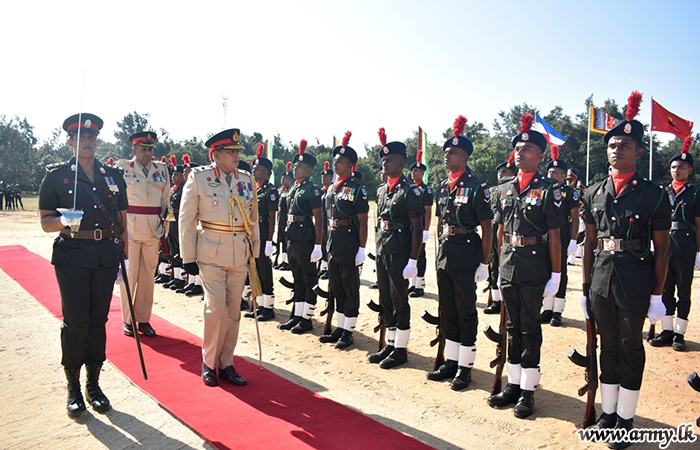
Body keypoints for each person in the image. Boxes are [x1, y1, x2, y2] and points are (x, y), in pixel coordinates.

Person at [581, 91, 671, 448]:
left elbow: (662, 248)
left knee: (630, 345)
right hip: (602, 277)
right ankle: (608, 413)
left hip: (635, 279)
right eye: (613, 144)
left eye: (625, 145)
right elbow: (589, 243)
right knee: (607, 347)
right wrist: (587, 287)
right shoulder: (592, 192)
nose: (617, 150)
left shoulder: (654, 195)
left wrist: (657, 295)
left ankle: (625, 419)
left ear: (639, 152)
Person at [38, 113, 129, 416]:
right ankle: (73, 386)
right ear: (70, 142)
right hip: (73, 255)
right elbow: (46, 222)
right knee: (76, 321)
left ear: (97, 141)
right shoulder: (56, 176)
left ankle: (94, 383)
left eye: (91, 137)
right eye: (80, 137)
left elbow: (122, 220)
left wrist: (123, 258)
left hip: (105, 253)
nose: (87, 142)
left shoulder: (112, 176)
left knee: (98, 320)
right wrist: (64, 219)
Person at [487, 114, 564, 419]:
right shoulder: (503, 189)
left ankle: (528, 391)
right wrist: (496, 270)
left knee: (530, 328)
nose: (520, 152)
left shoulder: (549, 190)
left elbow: (556, 234)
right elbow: (499, 231)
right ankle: (513, 385)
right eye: (518, 148)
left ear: (540, 155)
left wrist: (556, 275)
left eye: (528, 149)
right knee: (511, 326)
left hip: (534, 265)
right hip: (509, 264)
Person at [179, 128, 259, 387]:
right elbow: (186, 218)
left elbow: (253, 219)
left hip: (239, 253)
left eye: (238, 151)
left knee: (233, 310)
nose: (236, 155)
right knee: (215, 310)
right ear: (216, 154)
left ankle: (226, 363)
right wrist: (187, 255)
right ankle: (208, 362)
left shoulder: (246, 179)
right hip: (210, 252)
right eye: (231, 152)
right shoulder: (199, 178)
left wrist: (255, 252)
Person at [427, 115, 493, 390]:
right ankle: (451, 362)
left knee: (466, 310)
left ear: (464, 157)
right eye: (445, 151)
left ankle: (465, 367)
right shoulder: (443, 187)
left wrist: (484, 263)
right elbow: (440, 220)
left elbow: (487, 228)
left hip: (467, 253)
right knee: (448, 310)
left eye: (452, 152)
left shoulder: (477, 187)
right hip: (446, 253)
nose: (446, 155)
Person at [367, 128, 423, 369]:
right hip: (383, 250)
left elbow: (417, 228)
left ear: (401, 163)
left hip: (400, 251)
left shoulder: (410, 191)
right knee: (386, 298)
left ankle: (400, 349)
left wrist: (413, 260)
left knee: (400, 298)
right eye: (383, 160)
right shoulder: (381, 190)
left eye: (389, 160)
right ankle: (389, 344)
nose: (385, 163)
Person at [318, 131, 369, 349]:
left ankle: (349, 330)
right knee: (336, 286)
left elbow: (363, 221)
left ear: (351, 166)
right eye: (335, 160)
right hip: (332, 242)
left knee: (350, 287)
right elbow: (325, 219)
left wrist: (361, 249)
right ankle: (340, 326)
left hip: (349, 242)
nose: (336, 164)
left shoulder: (357, 189)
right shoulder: (330, 188)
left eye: (341, 161)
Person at [116, 132, 169, 338]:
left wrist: (163, 225)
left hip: (153, 229)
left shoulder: (161, 170)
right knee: (130, 275)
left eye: (150, 149)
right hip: (129, 228)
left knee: (148, 276)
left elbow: (165, 200)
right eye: (143, 149)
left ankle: (144, 319)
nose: (148, 153)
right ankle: (128, 320)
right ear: (134, 150)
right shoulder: (123, 169)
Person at [649, 136, 698, 352]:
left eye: (682, 167)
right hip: (664, 246)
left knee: (683, 292)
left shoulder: (695, 193)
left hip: (686, 246)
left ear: (690, 170)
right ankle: (667, 331)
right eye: (674, 167)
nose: (677, 170)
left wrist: (698, 252)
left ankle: (680, 333)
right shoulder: (662, 191)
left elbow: (698, 223)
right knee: (665, 289)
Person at [278, 140, 324, 334]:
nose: (295, 169)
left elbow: (319, 218)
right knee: (297, 277)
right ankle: (296, 315)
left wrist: (317, 245)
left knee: (309, 279)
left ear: (308, 170)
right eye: (295, 166)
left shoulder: (312, 188)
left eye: (300, 167)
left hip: (305, 237)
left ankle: (307, 319)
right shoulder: (294, 188)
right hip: (292, 237)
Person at [540, 145, 580, 327]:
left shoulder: (570, 192)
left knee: (560, 272)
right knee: (545, 270)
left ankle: (558, 311)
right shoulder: (542, 190)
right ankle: (547, 309)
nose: (551, 174)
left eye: (555, 172)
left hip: (562, 233)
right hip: (544, 234)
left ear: (563, 176)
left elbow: (575, 217)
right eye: (549, 171)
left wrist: (573, 240)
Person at [244, 144, 278, 321]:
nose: (254, 171)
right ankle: (259, 305)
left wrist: (269, 241)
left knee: (264, 270)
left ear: (267, 172)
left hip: (264, 232)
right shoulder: (253, 189)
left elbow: (272, 218)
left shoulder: (270, 190)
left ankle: (268, 307)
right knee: (255, 269)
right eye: (254, 168)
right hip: (253, 232)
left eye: (258, 169)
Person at [484, 154, 517, 315]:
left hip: (508, 232)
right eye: (500, 172)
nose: (501, 174)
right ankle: (496, 300)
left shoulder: (514, 190)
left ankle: (506, 300)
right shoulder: (491, 191)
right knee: (493, 265)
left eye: (505, 171)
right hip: (492, 232)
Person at [407, 149, 433, 298]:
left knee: (420, 255)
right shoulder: (410, 188)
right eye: (413, 170)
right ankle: (413, 283)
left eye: (416, 170)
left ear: (422, 173)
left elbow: (428, 211)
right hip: (410, 227)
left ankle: (420, 285)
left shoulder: (425, 190)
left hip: (420, 226)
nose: (413, 173)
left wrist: (425, 230)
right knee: (412, 254)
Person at [275, 162, 293, 270]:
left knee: (287, 242)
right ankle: (283, 260)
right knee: (281, 241)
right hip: (280, 219)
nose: (282, 179)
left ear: (290, 180)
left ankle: (288, 262)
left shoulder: (291, 190)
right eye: (282, 177)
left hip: (287, 219)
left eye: (285, 178)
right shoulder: (281, 191)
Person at [319, 161, 334, 279]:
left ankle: (330, 268)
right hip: (322, 220)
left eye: (325, 177)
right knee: (323, 244)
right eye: (322, 177)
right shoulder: (321, 191)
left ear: (331, 178)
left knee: (329, 245)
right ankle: (324, 267)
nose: (323, 179)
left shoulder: (333, 190)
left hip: (330, 220)